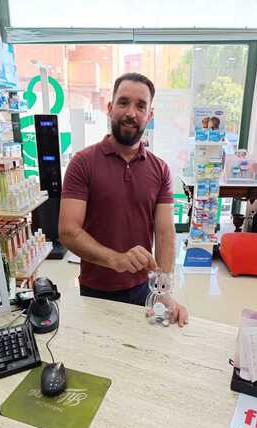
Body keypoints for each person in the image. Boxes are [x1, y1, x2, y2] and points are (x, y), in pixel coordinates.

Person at [59, 72, 188, 327]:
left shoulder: (160, 170)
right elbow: (68, 231)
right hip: (95, 290)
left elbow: (164, 234)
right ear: (110, 108)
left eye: (141, 106)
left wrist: (163, 291)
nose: (131, 112)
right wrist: (115, 259)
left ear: (149, 116)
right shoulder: (82, 163)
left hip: (144, 289)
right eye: (123, 102)